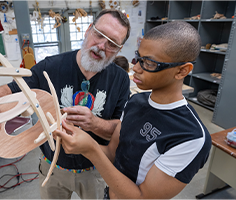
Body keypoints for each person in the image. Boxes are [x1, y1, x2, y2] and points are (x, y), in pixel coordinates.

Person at [0, 9, 131, 199]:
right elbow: (12, 89)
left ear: (119, 50)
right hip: (53, 167)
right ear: (89, 29)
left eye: (112, 43)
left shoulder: (120, 79)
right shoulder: (50, 66)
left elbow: (120, 130)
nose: (101, 46)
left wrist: (94, 123)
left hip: (96, 170)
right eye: (99, 35)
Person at [54, 21, 212, 199]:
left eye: (149, 63)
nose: (136, 68)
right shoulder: (135, 101)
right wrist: (75, 138)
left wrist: (90, 149)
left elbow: (142, 197)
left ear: (182, 71)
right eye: (139, 58)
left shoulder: (191, 136)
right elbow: (112, 154)